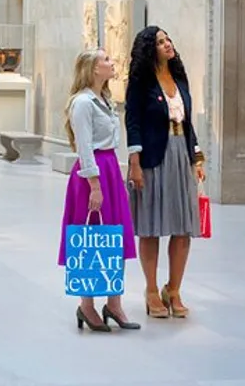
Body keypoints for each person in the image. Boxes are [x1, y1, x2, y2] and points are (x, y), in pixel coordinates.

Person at [125, 27, 204, 319]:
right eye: (160, 42)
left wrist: (196, 157)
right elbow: (132, 121)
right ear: (150, 49)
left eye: (168, 39)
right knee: (150, 226)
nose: (167, 44)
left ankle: (173, 289)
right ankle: (150, 290)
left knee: (183, 227)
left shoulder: (180, 77)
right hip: (152, 157)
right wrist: (134, 163)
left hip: (180, 153)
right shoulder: (140, 82)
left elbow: (189, 122)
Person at [59, 49, 139, 332]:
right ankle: (87, 305)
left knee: (113, 237)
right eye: (105, 60)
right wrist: (95, 184)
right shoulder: (83, 102)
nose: (112, 62)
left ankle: (114, 303)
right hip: (91, 174)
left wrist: (114, 179)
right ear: (93, 69)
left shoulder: (105, 100)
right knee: (91, 237)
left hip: (109, 170)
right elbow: (84, 145)